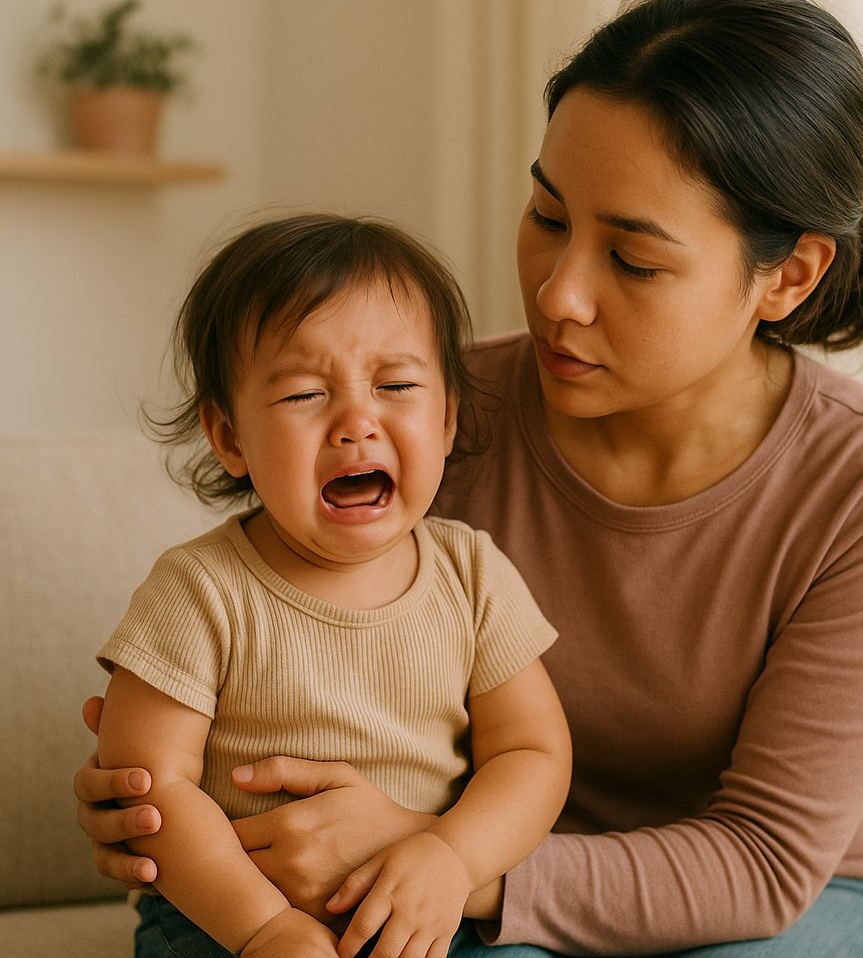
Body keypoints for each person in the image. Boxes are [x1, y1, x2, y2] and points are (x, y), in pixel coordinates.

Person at [76, 0, 863, 957]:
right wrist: (170, 808)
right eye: (546, 215)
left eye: (631, 260)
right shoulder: (426, 416)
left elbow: (761, 863)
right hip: (450, 890)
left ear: (787, 276)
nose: (556, 292)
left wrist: (440, 855)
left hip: (778, 906)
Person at [91, 214, 572, 958]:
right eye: (304, 395)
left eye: (396, 384)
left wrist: (453, 857)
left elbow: (533, 754)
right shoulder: (198, 591)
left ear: (446, 419)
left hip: (432, 903)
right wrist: (264, 929)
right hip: (226, 918)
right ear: (229, 438)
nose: (357, 423)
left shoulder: (472, 574)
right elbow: (152, 787)